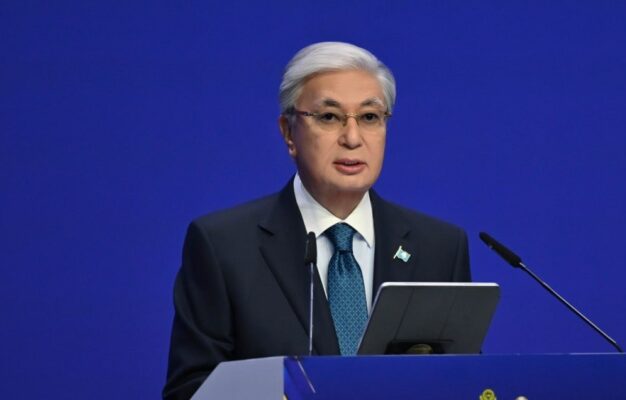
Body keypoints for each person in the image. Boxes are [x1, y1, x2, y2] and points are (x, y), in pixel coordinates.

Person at [163, 42, 471, 400]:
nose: (352, 138)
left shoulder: (439, 248)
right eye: (329, 117)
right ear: (288, 132)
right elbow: (191, 391)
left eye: (369, 117)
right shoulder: (224, 247)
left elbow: (464, 380)